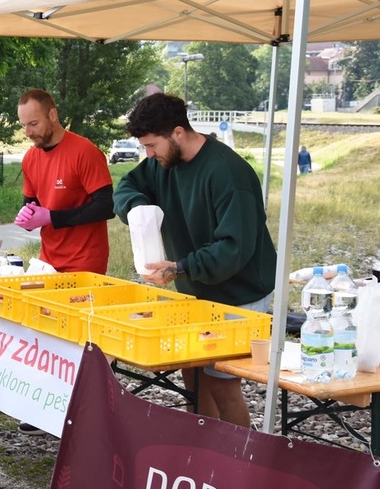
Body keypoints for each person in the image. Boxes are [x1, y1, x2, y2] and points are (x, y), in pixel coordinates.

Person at [113, 93, 277, 428]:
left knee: (221, 382)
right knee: (193, 376)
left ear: (177, 132)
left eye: (152, 145)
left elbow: (234, 249)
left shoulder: (229, 174)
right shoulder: (162, 164)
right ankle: (201, 452)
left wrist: (179, 268)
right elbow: (127, 185)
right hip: (194, 290)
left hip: (239, 292)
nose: (148, 154)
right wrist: (137, 208)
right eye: (144, 147)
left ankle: (242, 461)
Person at [14, 88, 115, 434]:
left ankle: (82, 412)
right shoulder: (31, 158)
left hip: (85, 260)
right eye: (24, 125)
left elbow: (105, 206)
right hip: (49, 259)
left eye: (34, 123)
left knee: (77, 338)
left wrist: (52, 218)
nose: (29, 132)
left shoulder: (84, 151)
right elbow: (32, 202)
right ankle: (46, 407)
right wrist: (28, 215)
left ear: (53, 115)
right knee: (45, 332)